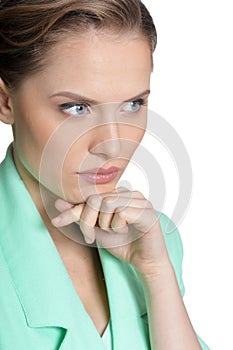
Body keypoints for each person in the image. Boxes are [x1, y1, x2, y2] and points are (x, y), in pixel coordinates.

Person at [0, 1, 210, 349]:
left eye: (133, 104)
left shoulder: (154, 238)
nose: (113, 146)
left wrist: (157, 275)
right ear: (6, 102)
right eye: (76, 108)